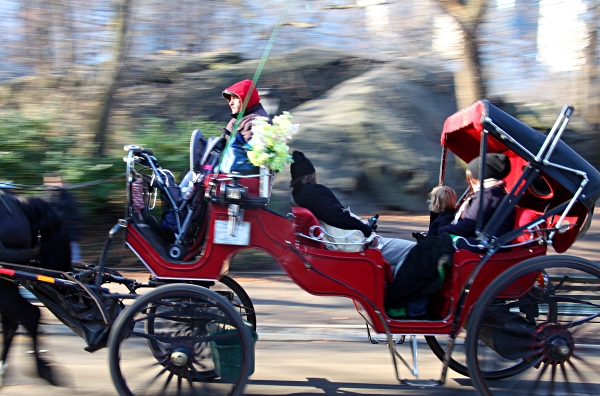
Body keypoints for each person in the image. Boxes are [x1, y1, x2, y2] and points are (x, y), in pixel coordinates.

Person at [289, 150, 416, 274]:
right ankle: (401, 290)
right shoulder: (314, 191)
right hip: (355, 243)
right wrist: (367, 231)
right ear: (312, 174)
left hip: (341, 241)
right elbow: (338, 217)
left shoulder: (296, 196)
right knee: (414, 250)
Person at [438, 153, 514, 251]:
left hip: (485, 244)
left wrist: (442, 230)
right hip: (482, 240)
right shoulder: (491, 192)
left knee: (436, 243)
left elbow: (469, 225)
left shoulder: (488, 195)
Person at [220, 79, 272, 174]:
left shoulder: (255, 121)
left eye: (235, 98)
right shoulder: (241, 118)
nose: (230, 103)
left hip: (236, 179)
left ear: (246, 99)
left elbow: (248, 158)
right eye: (229, 99)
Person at [43, 172, 83, 263]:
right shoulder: (46, 198)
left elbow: (75, 215)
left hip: (69, 236)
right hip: (53, 237)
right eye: (56, 181)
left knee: (75, 262)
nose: (59, 184)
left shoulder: (68, 197)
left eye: (60, 181)